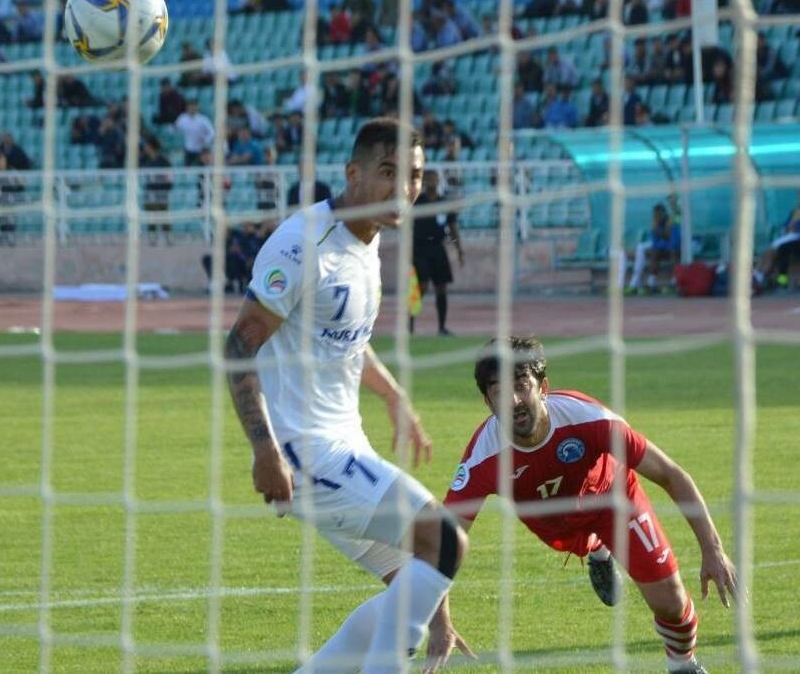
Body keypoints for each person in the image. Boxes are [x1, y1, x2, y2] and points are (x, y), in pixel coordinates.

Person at [224, 118, 468, 673]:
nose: (403, 188)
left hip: (344, 445)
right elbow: (239, 345)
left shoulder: (368, 242)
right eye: (388, 172)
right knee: (446, 539)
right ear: (353, 173)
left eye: (413, 175)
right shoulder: (302, 244)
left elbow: (347, 341)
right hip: (304, 453)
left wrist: (393, 396)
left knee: (413, 580)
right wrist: (265, 451)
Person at [432, 336, 739, 674]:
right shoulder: (484, 458)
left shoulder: (588, 419)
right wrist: (440, 622)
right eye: (500, 392)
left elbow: (670, 474)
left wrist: (712, 549)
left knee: (670, 601)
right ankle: (598, 548)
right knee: (581, 540)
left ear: (543, 387)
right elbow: (444, 541)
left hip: (613, 500)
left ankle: (683, 665)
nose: (515, 401)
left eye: (522, 386)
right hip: (552, 521)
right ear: (488, 402)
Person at [410, 170, 463, 337]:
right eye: (428, 179)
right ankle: (409, 325)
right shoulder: (416, 202)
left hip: (438, 249)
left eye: (434, 179)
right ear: (423, 182)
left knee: (441, 287)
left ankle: (442, 327)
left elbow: (453, 228)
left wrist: (459, 249)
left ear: (438, 181)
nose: (431, 182)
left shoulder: (444, 203)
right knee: (421, 286)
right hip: (420, 249)